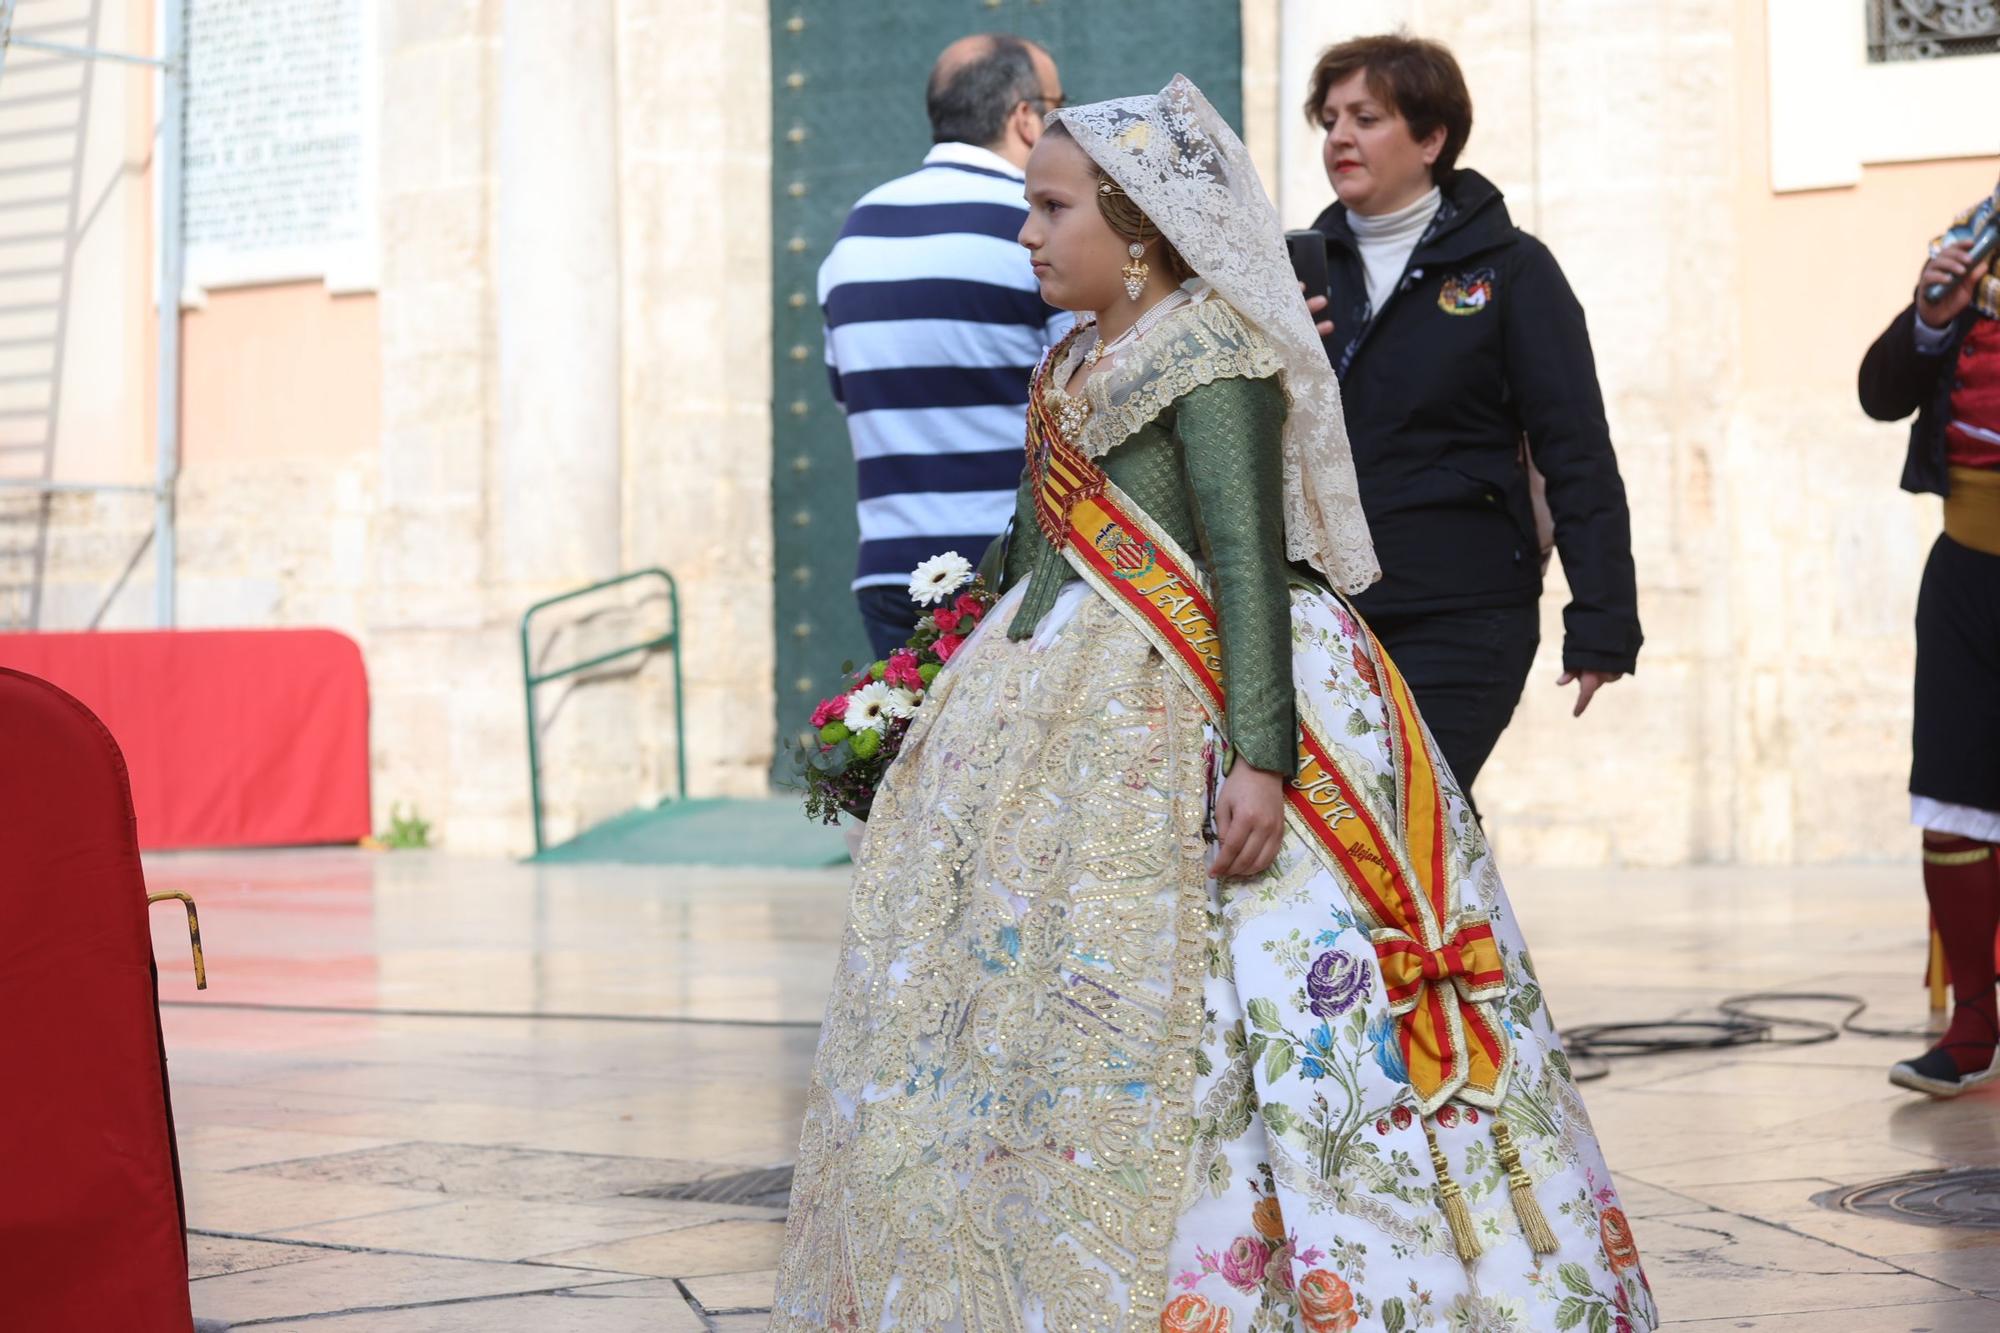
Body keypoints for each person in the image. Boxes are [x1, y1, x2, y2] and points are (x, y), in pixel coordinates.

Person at [773, 76, 1659, 1332]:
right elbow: (1025, 554)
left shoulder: (1213, 356)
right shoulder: (1071, 358)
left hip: (1209, 702)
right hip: (1058, 697)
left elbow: (1245, 568)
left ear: (1135, 227)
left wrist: (1258, 756)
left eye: (1048, 208)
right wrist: (919, 691)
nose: (1025, 234)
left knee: (1250, 989)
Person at [1297, 34, 1642, 810]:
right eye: (1329, 120)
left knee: (1412, 822)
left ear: (1431, 139)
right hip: (1325, 615)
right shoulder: (1295, 274)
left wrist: (1602, 620)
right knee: (1347, 843)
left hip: (1463, 611)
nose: (1341, 137)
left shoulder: (1513, 270)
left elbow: (1577, 449)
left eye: (1366, 117)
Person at [820, 34, 1074, 659]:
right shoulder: (1035, 229)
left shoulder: (858, 231)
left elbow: (846, 398)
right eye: (1058, 106)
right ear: (1024, 117)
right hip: (1004, 567)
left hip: (887, 570)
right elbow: (1080, 403)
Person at [1860, 182, 2000, 1098]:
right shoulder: (1972, 246)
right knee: (1951, 799)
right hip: (1967, 570)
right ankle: (1972, 1025)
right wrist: (1929, 314)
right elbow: (1880, 394)